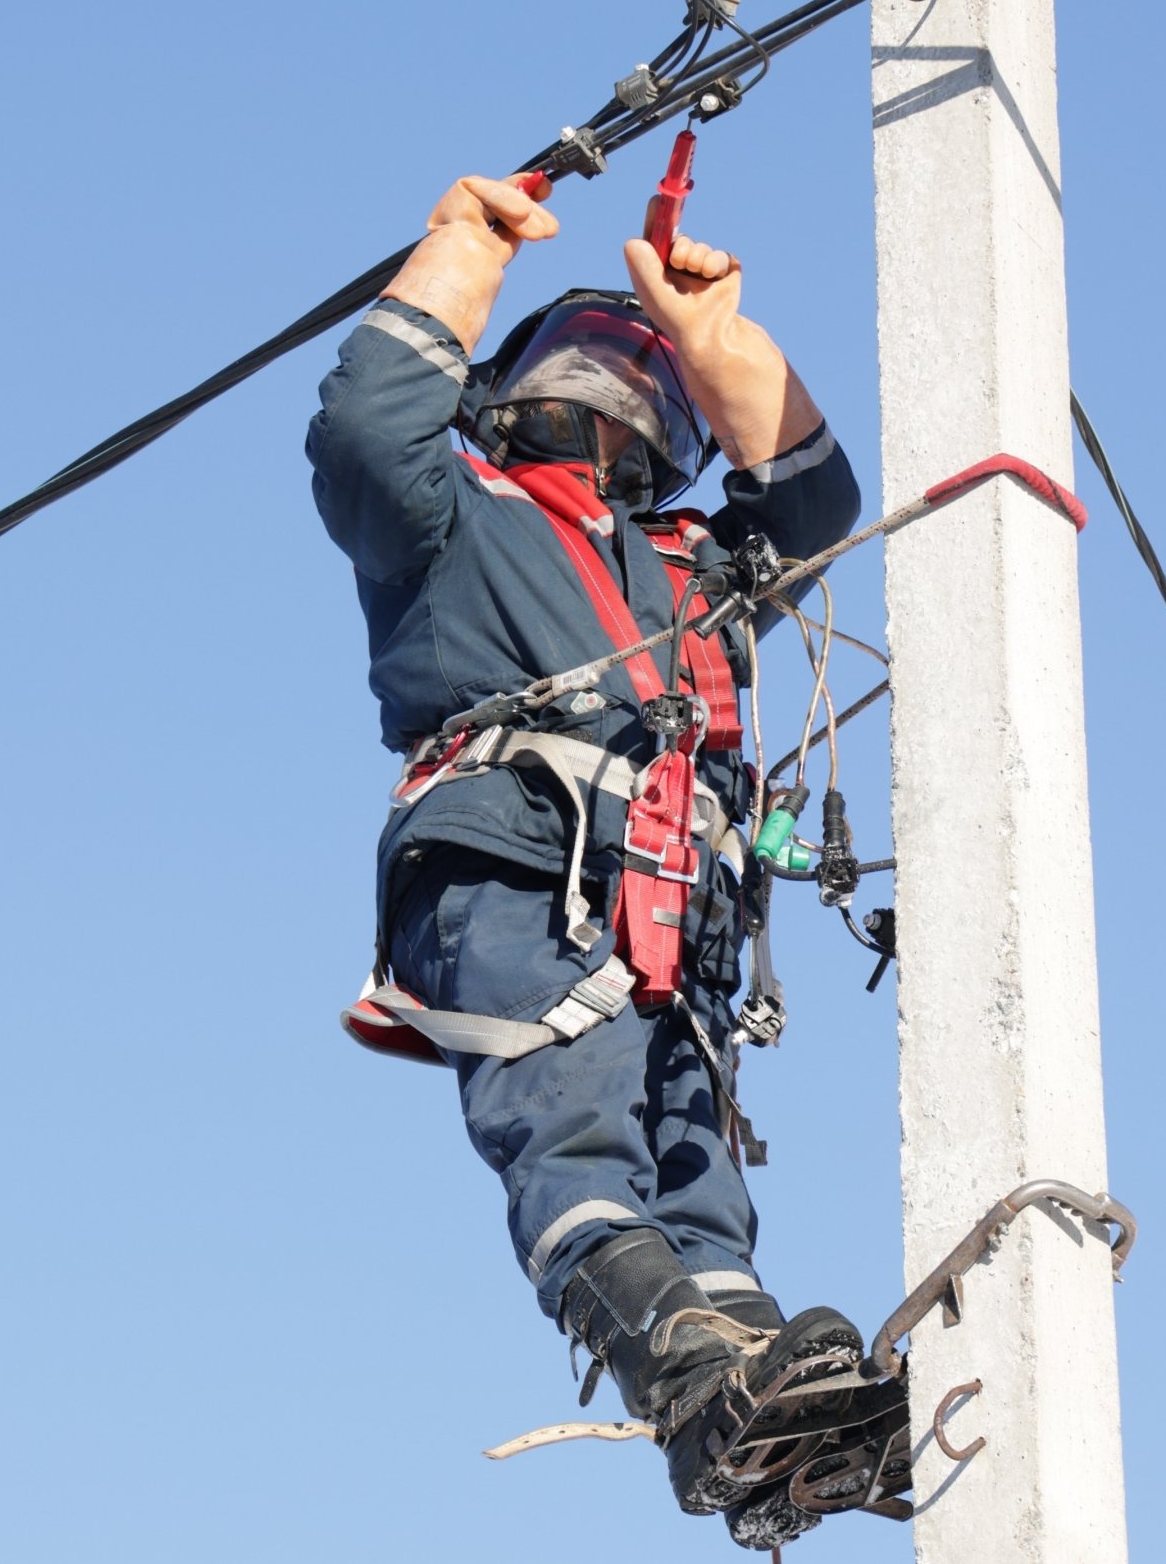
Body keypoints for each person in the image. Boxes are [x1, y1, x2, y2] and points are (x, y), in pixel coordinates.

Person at [307, 171, 907, 1546]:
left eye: (648, 373)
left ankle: (772, 1408)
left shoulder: (690, 569)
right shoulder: (453, 523)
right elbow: (362, 428)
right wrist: (464, 253)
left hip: (674, 916)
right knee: (574, 1133)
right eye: (594, 358)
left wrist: (714, 337)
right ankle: (691, 1382)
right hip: (519, 870)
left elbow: (815, 503)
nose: (622, 383)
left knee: (701, 1181)